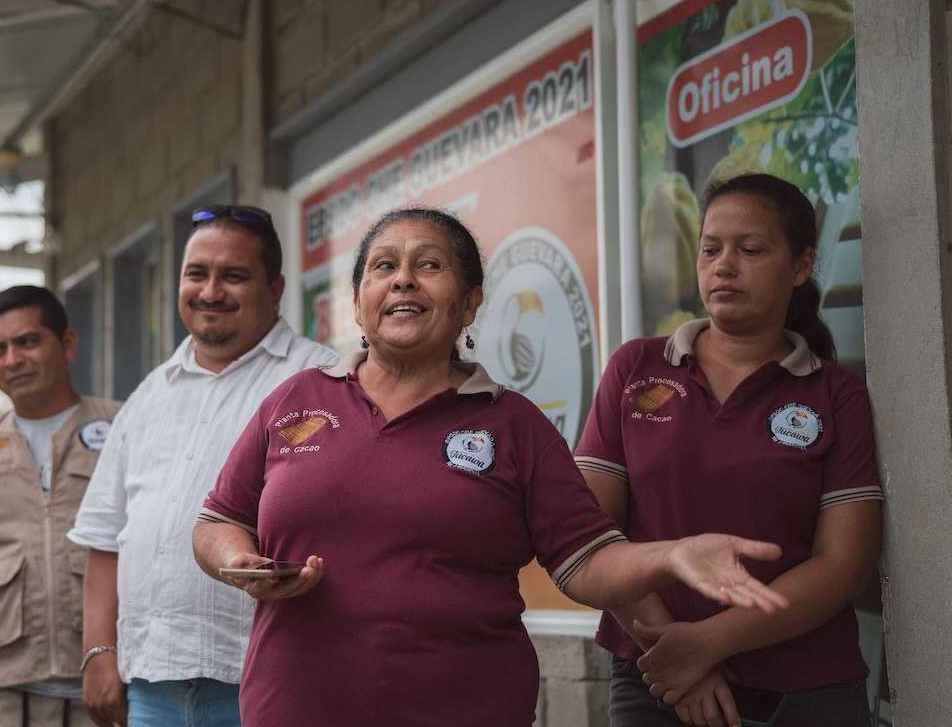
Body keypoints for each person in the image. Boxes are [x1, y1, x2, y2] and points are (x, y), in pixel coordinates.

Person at [192, 207, 791, 727]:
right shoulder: (295, 400)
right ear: (358, 302)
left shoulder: (513, 425)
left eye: (429, 265)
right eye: (384, 266)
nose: (403, 278)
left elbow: (585, 562)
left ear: (470, 303)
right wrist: (235, 560)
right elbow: (218, 520)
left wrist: (670, 556)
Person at [575, 173, 884, 727]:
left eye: (751, 249)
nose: (724, 266)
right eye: (711, 249)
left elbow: (843, 563)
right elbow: (590, 531)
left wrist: (709, 643)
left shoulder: (835, 394)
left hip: (808, 689)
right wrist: (674, 653)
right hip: (655, 683)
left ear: (801, 266)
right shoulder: (635, 368)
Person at [68, 205, 339, 727]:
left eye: (233, 276)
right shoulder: (149, 394)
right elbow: (105, 539)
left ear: (276, 287)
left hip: (270, 681)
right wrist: (99, 654)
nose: (210, 292)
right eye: (197, 273)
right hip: (151, 688)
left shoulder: (322, 381)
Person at [0, 285, 122, 726]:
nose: (12, 359)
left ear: (67, 343)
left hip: (108, 686)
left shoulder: (123, 428)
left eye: (28, 341)